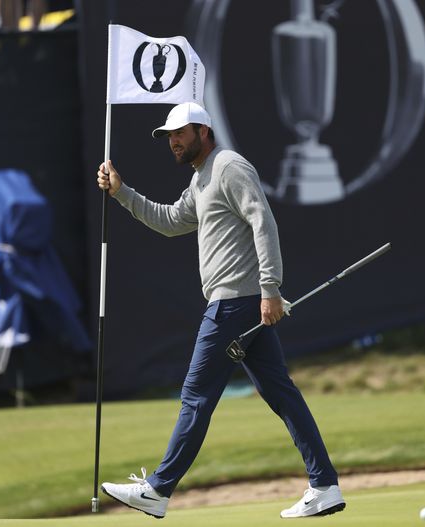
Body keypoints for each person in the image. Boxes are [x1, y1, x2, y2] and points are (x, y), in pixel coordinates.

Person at [96, 102, 345, 519]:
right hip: (242, 304)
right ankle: (325, 484)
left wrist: (270, 288)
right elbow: (170, 220)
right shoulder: (200, 180)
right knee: (280, 393)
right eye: (169, 136)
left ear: (203, 131)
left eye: (180, 133)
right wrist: (122, 192)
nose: (173, 141)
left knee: (196, 396)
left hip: (233, 304)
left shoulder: (228, 166)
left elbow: (262, 221)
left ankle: (157, 489)